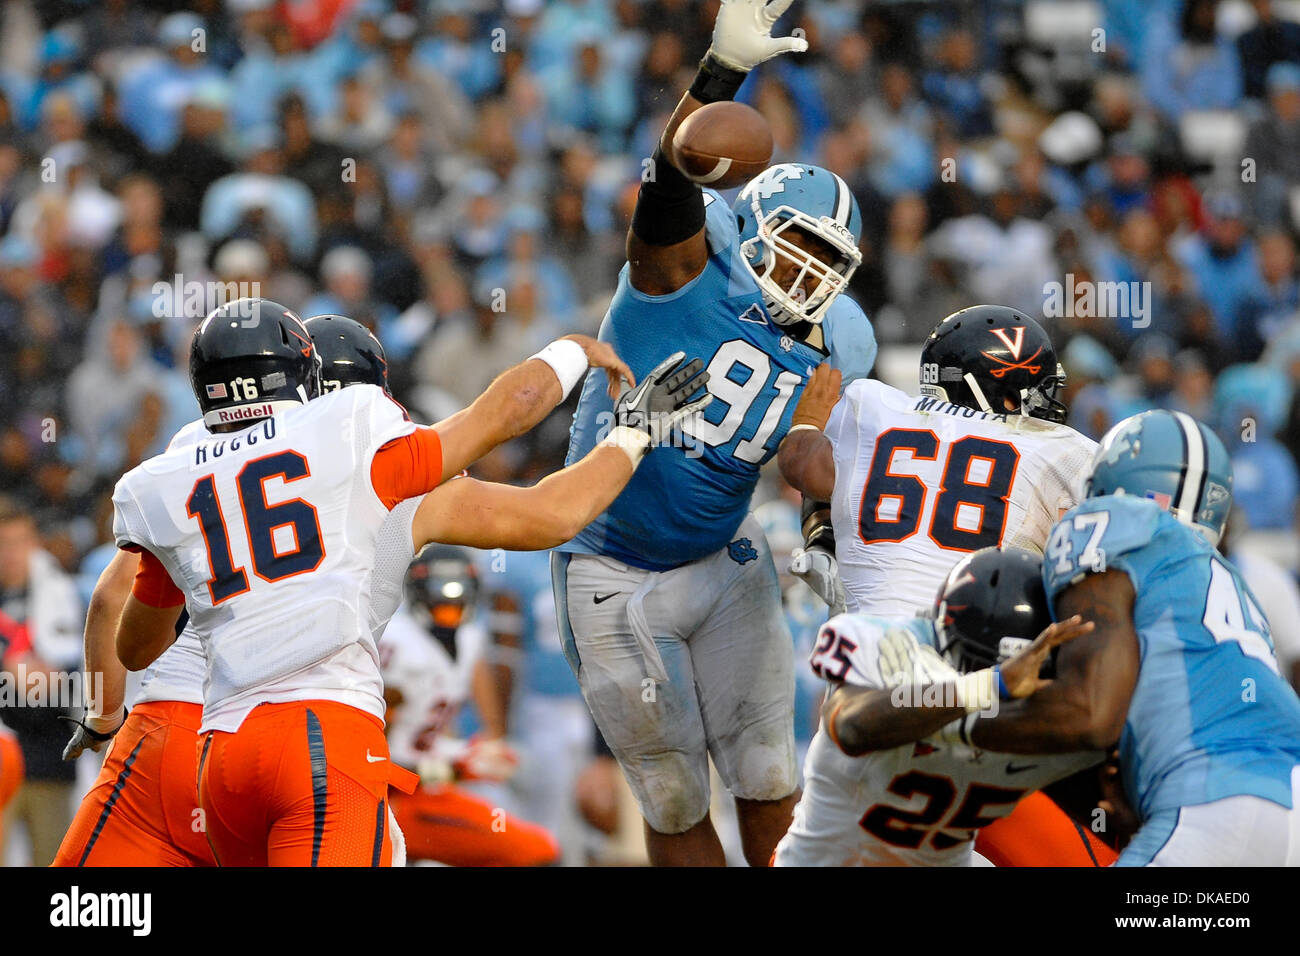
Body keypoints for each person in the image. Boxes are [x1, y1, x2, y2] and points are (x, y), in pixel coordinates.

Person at [106, 299, 709, 866]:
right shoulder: (364, 445)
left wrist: (103, 715)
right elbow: (549, 505)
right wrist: (628, 427)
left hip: (198, 743)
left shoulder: (177, 468)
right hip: (320, 734)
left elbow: (128, 627)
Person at [552, 0, 877, 867]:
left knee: (771, 774)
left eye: (828, 264)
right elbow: (668, 186)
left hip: (723, 557)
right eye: (797, 247)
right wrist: (719, 75)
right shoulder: (683, 271)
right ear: (750, 227)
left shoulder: (840, 340)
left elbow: (810, 456)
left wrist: (822, 540)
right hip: (609, 559)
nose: (808, 275)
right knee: (670, 794)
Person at [777, 304, 1102, 864]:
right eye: (1029, 388)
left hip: (879, 668)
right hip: (985, 677)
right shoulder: (1063, 452)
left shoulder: (869, 406)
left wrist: (822, 524)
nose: (1043, 403)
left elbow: (807, 467)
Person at [967, 410, 1300, 865]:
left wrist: (955, 726)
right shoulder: (1232, 584)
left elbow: (1091, 712)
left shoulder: (1108, 524)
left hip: (1213, 804)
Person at [775, 547, 1110, 866]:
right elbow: (852, 726)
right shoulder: (893, 648)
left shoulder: (1037, 718)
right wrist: (991, 685)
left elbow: (1110, 811)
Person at [381, 545, 558, 866]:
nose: (450, 605)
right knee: (534, 852)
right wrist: (462, 765)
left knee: (538, 846)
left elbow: (426, 738)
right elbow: (376, 760)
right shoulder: (398, 644)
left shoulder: (467, 639)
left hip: (425, 792)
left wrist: (467, 753)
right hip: (391, 802)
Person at [0, 498, 83, 866]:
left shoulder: (60, 596)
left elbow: (65, 680)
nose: (11, 553)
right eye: (3, 543)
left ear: (35, 542)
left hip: (50, 758)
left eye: (18, 542)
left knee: (54, 864)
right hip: (3, 756)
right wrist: (17, 669)